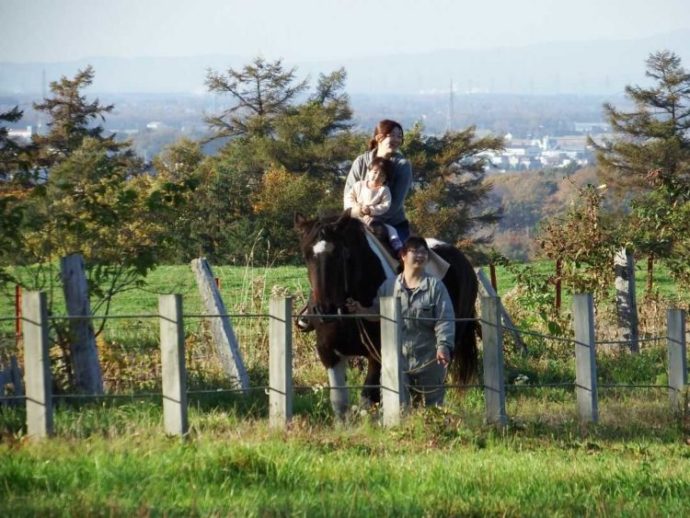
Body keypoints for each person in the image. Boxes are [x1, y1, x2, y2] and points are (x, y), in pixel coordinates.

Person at [345, 236, 455, 406]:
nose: (420, 256)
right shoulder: (388, 287)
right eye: (415, 251)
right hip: (397, 357)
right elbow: (377, 313)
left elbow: (445, 319)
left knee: (434, 408)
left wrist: (443, 346)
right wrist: (359, 309)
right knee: (395, 406)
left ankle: (434, 432)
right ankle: (398, 431)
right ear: (403, 255)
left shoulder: (436, 287)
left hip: (429, 357)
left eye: (423, 252)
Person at [343, 119, 413, 243]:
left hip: (392, 224)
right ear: (379, 138)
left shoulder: (402, 165)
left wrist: (373, 217)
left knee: (403, 256)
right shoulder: (361, 161)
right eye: (392, 135)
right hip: (357, 220)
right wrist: (356, 212)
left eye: (399, 137)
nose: (397, 140)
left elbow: (395, 204)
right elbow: (349, 194)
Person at [344, 156, 403, 252]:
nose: (377, 176)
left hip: (373, 219)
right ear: (369, 172)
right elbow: (349, 197)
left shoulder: (384, 190)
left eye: (382, 175)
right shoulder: (359, 185)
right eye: (375, 172)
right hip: (355, 216)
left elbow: (385, 205)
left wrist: (371, 210)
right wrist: (356, 208)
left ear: (386, 179)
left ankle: (398, 250)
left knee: (391, 229)